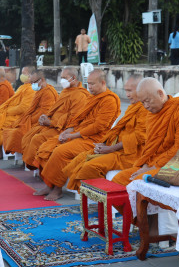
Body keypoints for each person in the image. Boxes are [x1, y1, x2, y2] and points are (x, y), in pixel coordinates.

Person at [34, 69, 121, 201]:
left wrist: (74, 136)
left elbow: (98, 126)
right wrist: (68, 130)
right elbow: (79, 118)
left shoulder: (109, 100)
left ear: (103, 83)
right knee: (48, 146)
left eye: (92, 84)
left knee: (60, 151)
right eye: (88, 84)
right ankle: (49, 184)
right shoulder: (92, 97)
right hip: (79, 134)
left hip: (94, 139)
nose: (89, 87)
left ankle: (57, 189)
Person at [112, 77, 179, 185]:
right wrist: (146, 164)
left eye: (147, 101)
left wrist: (154, 166)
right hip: (154, 161)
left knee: (137, 182)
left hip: (178, 162)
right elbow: (151, 145)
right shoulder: (152, 114)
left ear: (160, 94)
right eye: (142, 103)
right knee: (118, 179)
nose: (146, 106)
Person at [64, 75, 147, 191]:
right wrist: (106, 144)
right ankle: (91, 196)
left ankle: (103, 199)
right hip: (117, 147)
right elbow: (118, 130)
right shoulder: (134, 106)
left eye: (130, 91)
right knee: (81, 158)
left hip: (131, 154)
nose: (127, 95)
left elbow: (139, 136)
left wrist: (111, 149)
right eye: (126, 91)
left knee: (90, 166)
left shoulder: (147, 108)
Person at [22, 67, 91, 169]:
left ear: (74, 77)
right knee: (30, 133)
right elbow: (56, 110)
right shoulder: (65, 91)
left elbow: (73, 120)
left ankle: (40, 168)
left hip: (63, 129)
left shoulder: (80, 95)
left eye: (64, 77)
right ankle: (37, 166)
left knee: (37, 139)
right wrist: (46, 117)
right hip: (53, 125)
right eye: (61, 77)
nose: (61, 80)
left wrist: (50, 122)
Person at [2, 70, 58, 154]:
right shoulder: (39, 91)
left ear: (42, 80)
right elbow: (32, 109)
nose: (32, 85)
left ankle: (25, 159)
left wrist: (28, 121)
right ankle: (20, 156)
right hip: (31, 119)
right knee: (11, 128)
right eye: (31, 82)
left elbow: (44, 113)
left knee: (17, 133)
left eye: (33, 82)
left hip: (41, 122)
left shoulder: (48, 93)